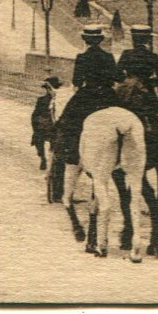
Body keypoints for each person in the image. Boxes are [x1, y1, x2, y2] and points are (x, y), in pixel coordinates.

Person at [53, 27, 121, 202]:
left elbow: (77, 82)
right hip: (107, 96)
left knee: (67, 124)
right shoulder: (108, 57)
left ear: (85, 40)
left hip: (87, 96)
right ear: (100, 40)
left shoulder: (82, 58)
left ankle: (72, 153)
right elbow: (117, 77)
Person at [117, 25, 158, 95]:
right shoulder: (153, 56)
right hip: (147, 92)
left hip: (129, 92)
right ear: (148, 40)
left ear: (133, 39)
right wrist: (145, 82)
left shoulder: (127, 54)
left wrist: (130, 81)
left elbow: (116, 74)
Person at [31, 76, 64, 171]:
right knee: (37, 138)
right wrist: (36, 125)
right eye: (47, 89)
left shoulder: (60, 100)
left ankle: (51, 160)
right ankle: (42, 158)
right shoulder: (41, 100)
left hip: (55, 125)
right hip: (44, 125)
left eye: (49, 88)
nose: (48, 90)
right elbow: (35, 114)